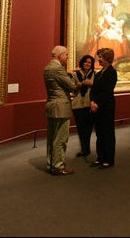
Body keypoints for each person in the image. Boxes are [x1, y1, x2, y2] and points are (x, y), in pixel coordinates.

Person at [43, 45, 76, 175]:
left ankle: (51, 163)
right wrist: (73, 79)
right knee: (60, 138)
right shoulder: (58, 68)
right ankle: (58, 166)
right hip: (61, 107)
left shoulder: (48, 67)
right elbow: (71, 86)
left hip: (52, 105)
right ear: (60, 55)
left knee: (52, 137)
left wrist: (66, 74)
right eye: (66, 55)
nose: (67, 58)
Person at [80, 0, 130, 69]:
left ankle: (121, 59)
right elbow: (100, 27)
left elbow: (117, 27)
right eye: (109, 7)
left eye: (111, 7)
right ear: (105, 8)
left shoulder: (113, 18)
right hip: (105, 33)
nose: (110, 9)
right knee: (109, 40)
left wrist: (117, 28)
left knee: (123, 39)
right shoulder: (102, 18)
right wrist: (105, 28)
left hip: (113, 32)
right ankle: (109, 61)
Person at [89, 48, 118, 169]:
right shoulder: (99, 73)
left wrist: (97, 104)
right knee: (99, 133)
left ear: (107, 58)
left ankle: (108, 158)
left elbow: (107, 91)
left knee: (107, 133)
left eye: (100, 57)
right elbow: (94, 90)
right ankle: (100, 157)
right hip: (97, 106)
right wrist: (92, 101)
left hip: (106, 106)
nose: (98, 59)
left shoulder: (111, 72)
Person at [71, 54, 95, 158]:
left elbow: (98, 88)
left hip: (89, 103)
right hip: (78, 104)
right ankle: (84, 148)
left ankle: (86, 147)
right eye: (86, 62)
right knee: (81, 127)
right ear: (82, 62)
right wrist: (77, 86)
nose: (87, 64)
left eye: (89, 62)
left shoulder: (95, 74)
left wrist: (91, 83)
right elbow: (71, 88)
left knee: (88, 127)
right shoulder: (75, 75)